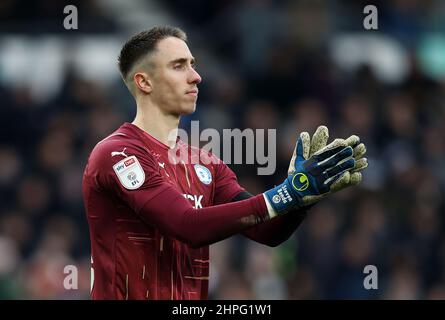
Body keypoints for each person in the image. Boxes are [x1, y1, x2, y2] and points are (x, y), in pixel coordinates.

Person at [82, 26, 367, 300]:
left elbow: (266, 231)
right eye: (179, 66)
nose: (196, 77)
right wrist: (287, 194)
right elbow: (187, 225)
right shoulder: (117, 153)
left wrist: (302, 197)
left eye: (193, 65)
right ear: (145, 82)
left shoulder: (204, 163)